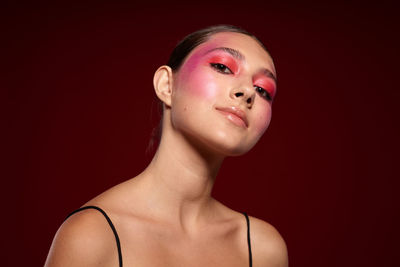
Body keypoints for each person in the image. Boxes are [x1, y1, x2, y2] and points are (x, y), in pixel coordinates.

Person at [44, 24, 288, 267]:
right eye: (222, 67)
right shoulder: (92, 236)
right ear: (166, 85)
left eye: (263, 90)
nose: (248, 92)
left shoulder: (263, 249)